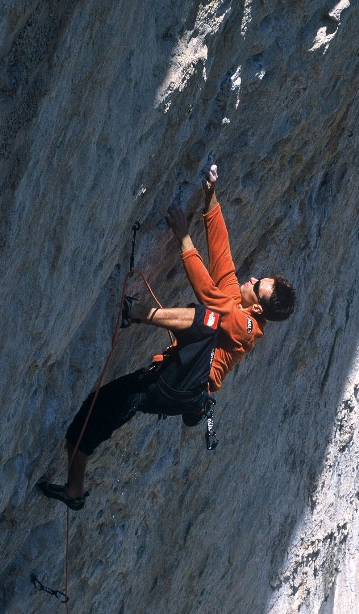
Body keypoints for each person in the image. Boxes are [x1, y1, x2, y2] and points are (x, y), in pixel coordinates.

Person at [39, 166, 295, 510]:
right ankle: (74, 490)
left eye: (258, 285)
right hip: (172, 379)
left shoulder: (247, 329)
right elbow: (223, 258)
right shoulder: (240, 301)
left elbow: (208, 293)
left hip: (182, 389)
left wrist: (184, 238)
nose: (251, 279)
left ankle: (137, 313)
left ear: (260, 310)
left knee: (206, 317)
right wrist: (210, 196)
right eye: (259, 278)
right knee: (96, 410)